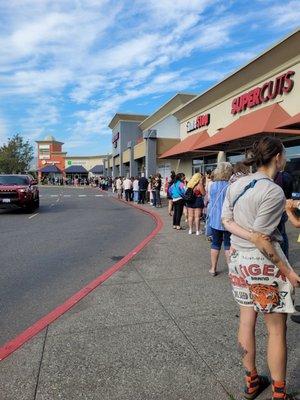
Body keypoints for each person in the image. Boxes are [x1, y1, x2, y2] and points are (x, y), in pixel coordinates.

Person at [222, 137, 299, 400]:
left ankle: (251, 381)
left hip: (238, 261)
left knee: (246, 319)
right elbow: (263, 239)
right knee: (277, 328)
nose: (285, 159)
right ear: (277, 157)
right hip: (263, 264)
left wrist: (247, 236)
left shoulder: (236, 184)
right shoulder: (273, 191)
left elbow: (225, 220)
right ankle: (279, 393)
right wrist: (288, 271)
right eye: (284, 154)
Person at [207, 162, 233, 276]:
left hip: (214, 219)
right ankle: (231, 271)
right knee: (228, 245)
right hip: (228, 220)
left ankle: (213, 268)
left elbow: (209, 199)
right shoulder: (231, 186)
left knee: (215, 244)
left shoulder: (212, 185)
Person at [274, 171, 294, 259]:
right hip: (283, 208)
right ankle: (285, 258)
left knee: (278, 236)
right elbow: (289, 193)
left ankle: (281, 260)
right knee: (282, 234)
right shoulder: (285, 176)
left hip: (276, 210)